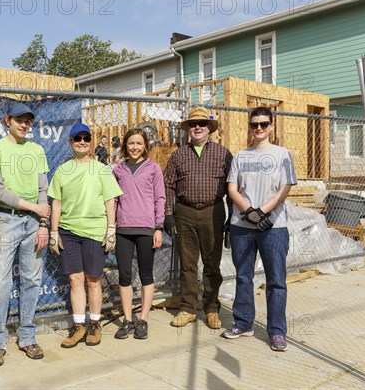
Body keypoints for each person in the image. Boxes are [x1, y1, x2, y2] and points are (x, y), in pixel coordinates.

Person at [222, 106, 297, 352]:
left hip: (273, 227)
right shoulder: (241, 156)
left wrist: (262, 212)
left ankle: (276, 331)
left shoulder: (283, 154)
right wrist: (249, 212)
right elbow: (232, 189)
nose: (259, 128)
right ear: (250, 127)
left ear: (271, 126)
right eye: (255, 124)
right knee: (244, 276)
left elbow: (284, 188)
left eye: (264, 124)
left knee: (276, 280)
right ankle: (243, 323)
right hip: (242, 226)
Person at [0, 102, 51, 367]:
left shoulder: (37, 149)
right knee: (0, 282)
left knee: (31, 280)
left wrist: (43, 222)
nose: (24, 125)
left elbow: (43, 189)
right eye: (19, 120)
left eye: (28, 121)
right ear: (7, 121)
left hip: (35, 224)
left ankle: (27, 337)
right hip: (5, 221)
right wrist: (34, 207)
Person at [48, 122, 122, 348]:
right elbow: (57, 202)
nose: (82, 141)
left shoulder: (101, 170)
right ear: (70, 142)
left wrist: (111, 229)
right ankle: (79, 326)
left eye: (86, 138)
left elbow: (111, 200)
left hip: (94, 232)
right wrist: (53, 231)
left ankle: (95, 324)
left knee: (93, 280)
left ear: (91, 142)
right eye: (77, 138)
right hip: (69, 232)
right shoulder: (63, 170)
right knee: (75, 280)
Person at [164, 106, 233, 330]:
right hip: (184, 212)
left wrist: (232, 218)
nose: (197, 127)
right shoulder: (178, 154)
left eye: (202, 124)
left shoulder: (223, 154)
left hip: (213, 212)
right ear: (188, 129)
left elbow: (232, 188)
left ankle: (212, 308)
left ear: (209, 129)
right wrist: (168, 215)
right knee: (188, 264)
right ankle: (188, 308)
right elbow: (168, 186)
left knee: (212, 263)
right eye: (193, 124)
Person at [112, 128, 165, 340]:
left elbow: (160, 198)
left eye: (139, 144)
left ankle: (143, 319)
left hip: (146, 229)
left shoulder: (153, 169)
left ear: (145, 146)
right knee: (124, 275)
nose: (135, 147)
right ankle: (128, 319)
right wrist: (111, 225)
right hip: (123, 229)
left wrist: (158, 228)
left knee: (145, 275)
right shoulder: (118, 170)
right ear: (125, 145)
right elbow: (113, 200)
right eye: (131, 143)